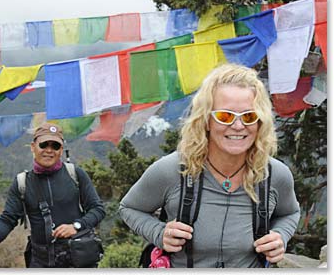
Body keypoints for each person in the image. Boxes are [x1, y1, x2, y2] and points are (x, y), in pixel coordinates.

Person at [119, 63, 300, 268]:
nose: (238, 126)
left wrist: (280, 236)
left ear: (261, 122)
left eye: (249, 116)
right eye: (225, 116)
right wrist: (160, 234)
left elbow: (290, 213)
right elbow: (129, 208)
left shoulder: (274, 175)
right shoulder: (173, 170)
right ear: (206, 120)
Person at [0, 122, 105, 267]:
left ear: (61, 150)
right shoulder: (22, 183)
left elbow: (98, 209)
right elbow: (8, 218)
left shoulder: (75, 174)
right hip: (41, 261)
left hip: (78, 259)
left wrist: (76, 226)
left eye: (55, 146)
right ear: (33, 147)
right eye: (44, 145)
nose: (49, 150)